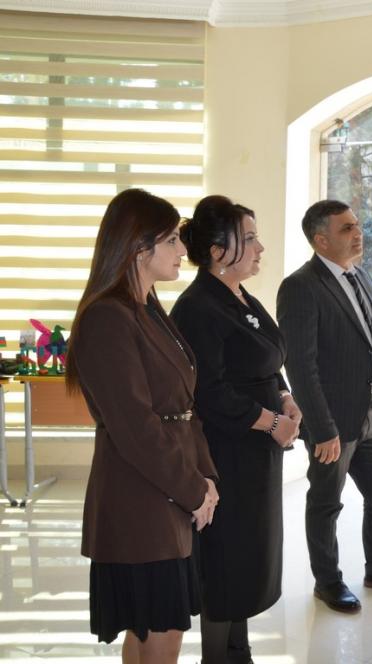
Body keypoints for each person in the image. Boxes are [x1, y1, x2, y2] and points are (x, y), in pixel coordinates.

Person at [66, 188, 219, 663]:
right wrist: (193, 489)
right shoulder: (107, 318)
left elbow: (184, 406)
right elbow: (135, 428)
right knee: (160, 634)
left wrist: (205, 477)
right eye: (172, 239)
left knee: (153, 631)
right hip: (140, 500)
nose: (182, 249)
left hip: (166, 491)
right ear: (138, 247)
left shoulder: (146, 307)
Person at [170, 195, 301, 663]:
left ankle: (237, 651)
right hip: (227, 454)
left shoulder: (240, 295)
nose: (260, 247)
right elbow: (210, 391)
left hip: (258, 452)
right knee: (226, 560)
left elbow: (266, 359)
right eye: (249, 238)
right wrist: (272, 422)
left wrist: (285, 397)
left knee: (248, 556)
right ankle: (219, 655)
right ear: (217, 250)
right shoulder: (198, 306)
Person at [277, 199, 372, 614]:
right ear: (320, 240)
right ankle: (328, 582)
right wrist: (323, 429)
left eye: (356, 225)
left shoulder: (361, 275)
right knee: (327, 502)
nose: (358, 233)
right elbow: (300, 365)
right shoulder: (300, 287)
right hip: (333, 421)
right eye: (346, 228)